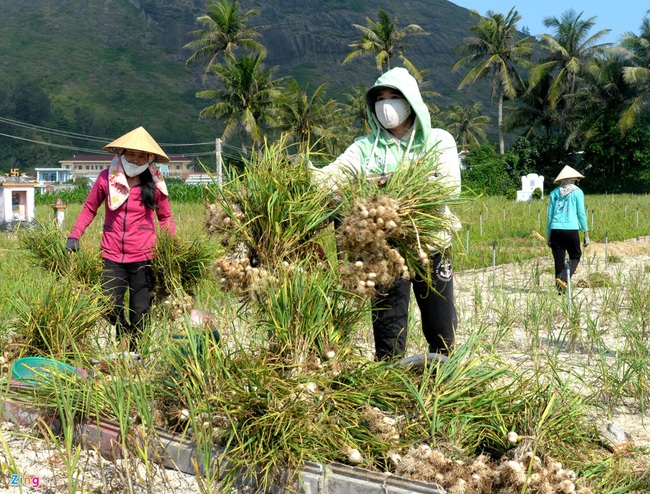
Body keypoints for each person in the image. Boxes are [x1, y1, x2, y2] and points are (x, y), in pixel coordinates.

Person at [313, 67, 461, 361]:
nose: (386, 104)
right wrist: (304, 176)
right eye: (379, 98)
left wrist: (387, 189)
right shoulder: (365, 148)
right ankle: (389, 380)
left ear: (410, 101)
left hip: (430, 244)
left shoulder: (438, 141)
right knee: (388, 326)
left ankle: (445, 375)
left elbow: (448, 187)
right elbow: (334, 175)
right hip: (384, 251)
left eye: (394, 96)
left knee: (441, 322)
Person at [66, 126, 176, 351]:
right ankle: (123, 331)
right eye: (131, 154)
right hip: (112, 254)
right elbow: (89, 208)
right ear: (121, 153)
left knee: (141, 311)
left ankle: (136, 355)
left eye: (141, 155)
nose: (135, 159)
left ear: (149, 158)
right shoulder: (107, 178)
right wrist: (74, 235)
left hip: (144, 256)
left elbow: (165, 217)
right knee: (108, 305)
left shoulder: (155, 183)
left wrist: (172, 248)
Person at [546, 165, 589, 292]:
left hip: (555, 229)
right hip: (571, 229)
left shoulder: (554, 193)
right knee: (575, 256)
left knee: (558, 260)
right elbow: (581, 213)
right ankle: (564, 277)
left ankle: (560, 291)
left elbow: (550, 215)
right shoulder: (577, 192)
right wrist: (585, 232)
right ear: (573, 179)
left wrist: (548, 234)